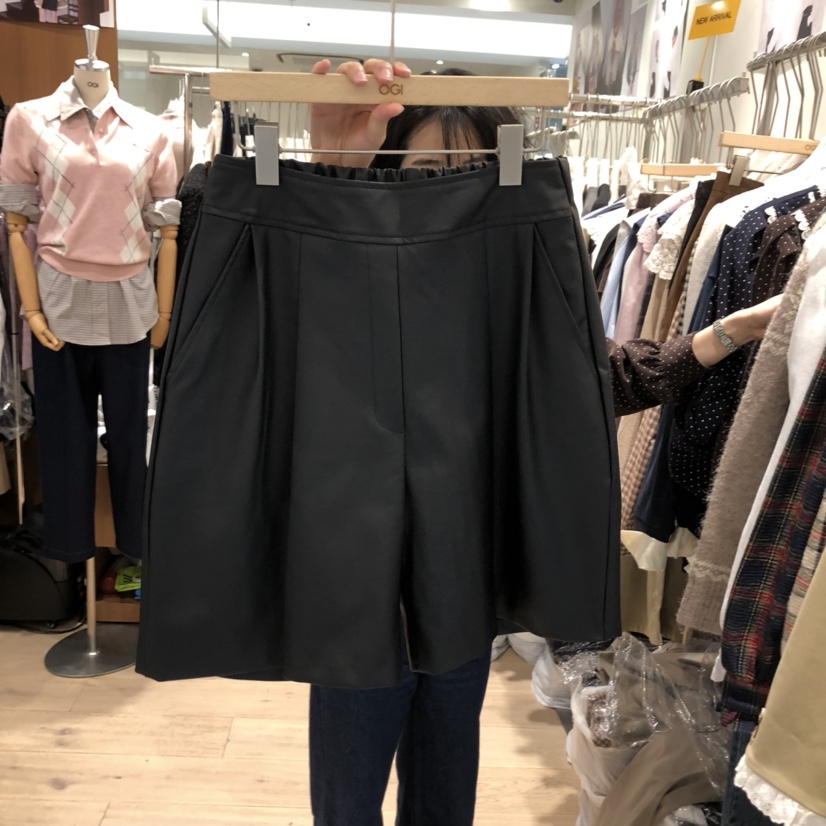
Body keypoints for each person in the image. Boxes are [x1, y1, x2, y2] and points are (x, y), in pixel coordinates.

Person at [306, 58, 782, 826]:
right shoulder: (348, 273)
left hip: (464, 579)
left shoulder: (517, 281)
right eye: (426, 172)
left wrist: (731, 329)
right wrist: (337, 180)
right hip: (365, 586)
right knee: (348, 791)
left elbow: (591, 383)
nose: (448, 193)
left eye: (470, 173)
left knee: (446, 785)